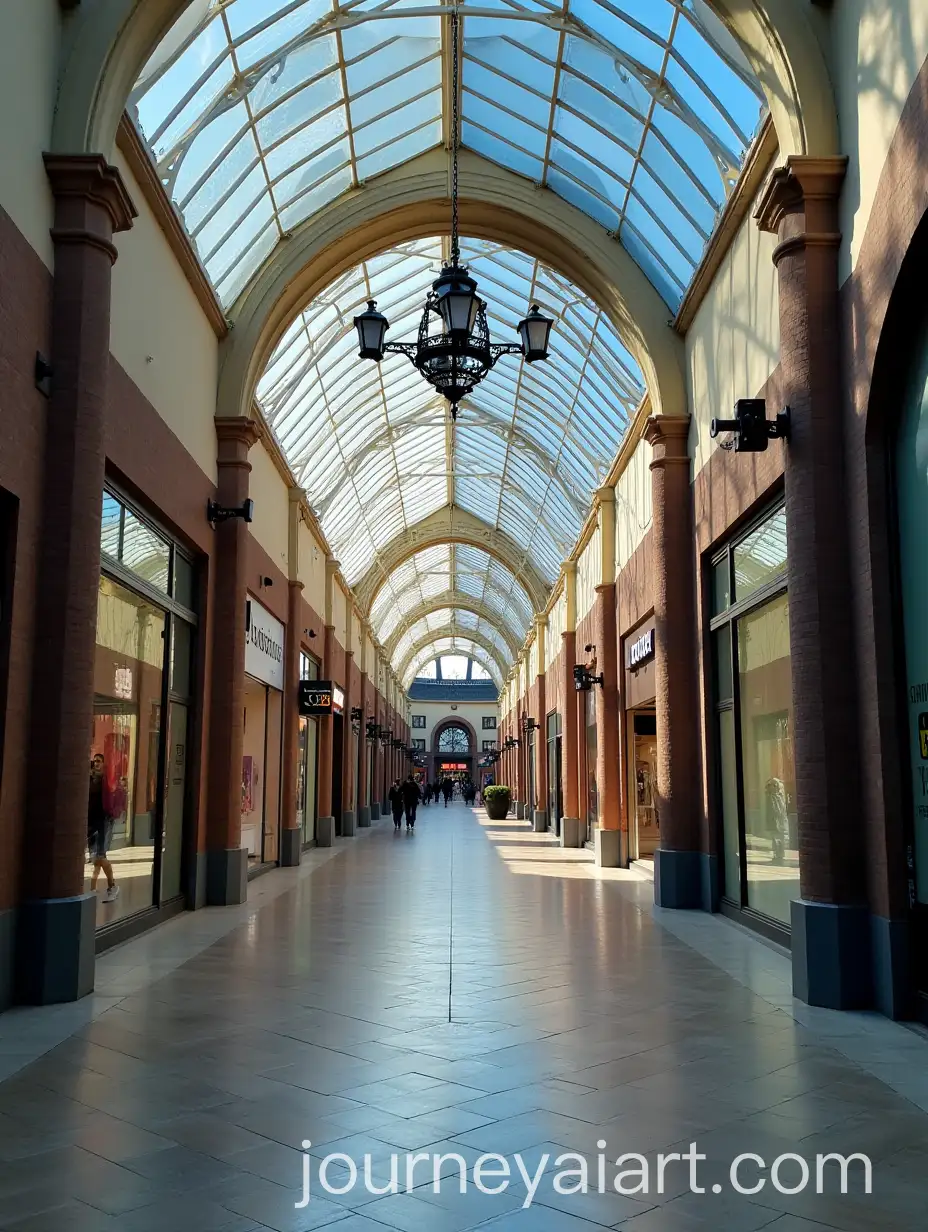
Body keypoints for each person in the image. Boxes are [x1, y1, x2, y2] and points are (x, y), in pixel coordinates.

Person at [87, 753, 119, 902]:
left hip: (104, 822)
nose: (96, 764)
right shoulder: (92, 779)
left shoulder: (105, 781)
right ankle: (93, 888)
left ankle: (113, 886)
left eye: (99, 761)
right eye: (95, 762)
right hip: (92, 822)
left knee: (100, 856)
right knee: (96, 858)